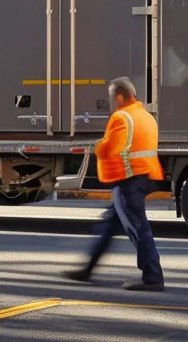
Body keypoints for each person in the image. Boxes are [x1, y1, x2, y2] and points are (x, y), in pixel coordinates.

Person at [64, 77, 165, 291]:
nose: (113, 101)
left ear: (120, 95)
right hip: (142, 176)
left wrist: (98, 146)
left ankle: (153, 276)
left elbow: (110, 148)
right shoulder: (146, 116)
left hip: (127, 178)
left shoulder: (122, 117)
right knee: (110, 226)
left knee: (138, 227)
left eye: (114, 96)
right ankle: (87, 270)